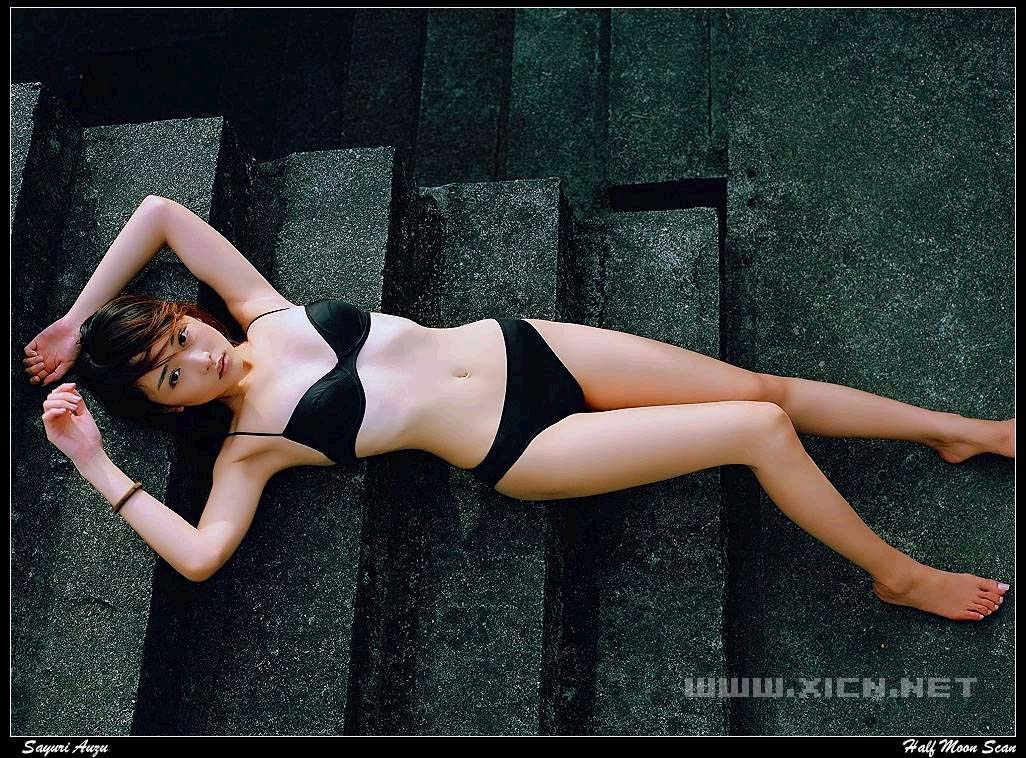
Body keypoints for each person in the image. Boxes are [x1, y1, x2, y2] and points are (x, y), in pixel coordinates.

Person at [23, 195, 1013, 621]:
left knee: (764, 389)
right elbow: (201, 555)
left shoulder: (261, 308)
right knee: (755, 429)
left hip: (522, 344)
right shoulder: (252, 448)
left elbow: (159, 213)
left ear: (185, 314)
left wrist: (74, 322)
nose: (196, 360)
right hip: (525, 444)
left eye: (178, 337)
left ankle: (958, 431)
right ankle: (896, 574)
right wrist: (93, 461)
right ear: (169, 408)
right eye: (171, 378)